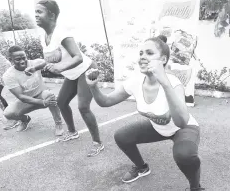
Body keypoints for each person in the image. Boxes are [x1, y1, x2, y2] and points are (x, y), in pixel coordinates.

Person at [85, 36, 204, 190]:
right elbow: (105, 101)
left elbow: (181, 122)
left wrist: (164, 82)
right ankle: (142, 168)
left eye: (149, 53)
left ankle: (195, 187)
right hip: (158, 127)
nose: (142, 57)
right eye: (141, 53)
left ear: (163, 59)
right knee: (122, 136)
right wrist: (93, 87)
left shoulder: (173, 83)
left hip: (183, 129)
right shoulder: (135, 81)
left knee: (184, 155)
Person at [35, 0, 104, 157]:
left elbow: (78, 58)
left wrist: (60, 68)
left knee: (83, 107)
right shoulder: (44, 35)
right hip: (71, 74)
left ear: (51, 15)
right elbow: (49, 58)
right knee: (61, 102)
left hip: (86, 70)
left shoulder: (62, 33)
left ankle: (97, 142)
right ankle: (72, 132)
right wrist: (35, 67)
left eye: (39, 12)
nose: (36, 15)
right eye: (35, 12)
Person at [2, 45, 64, 135]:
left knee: (50, 96)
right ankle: (25, 120)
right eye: (18, 59)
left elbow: (47, 61)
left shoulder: (34, 63)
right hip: (26, 100)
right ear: (11, 60)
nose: (22, 61)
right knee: (8, 113)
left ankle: (58, 124)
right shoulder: (8, 75)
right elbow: (21, 96)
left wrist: (35, 68)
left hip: (42, 94)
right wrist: (42, 103)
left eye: (24, 58)